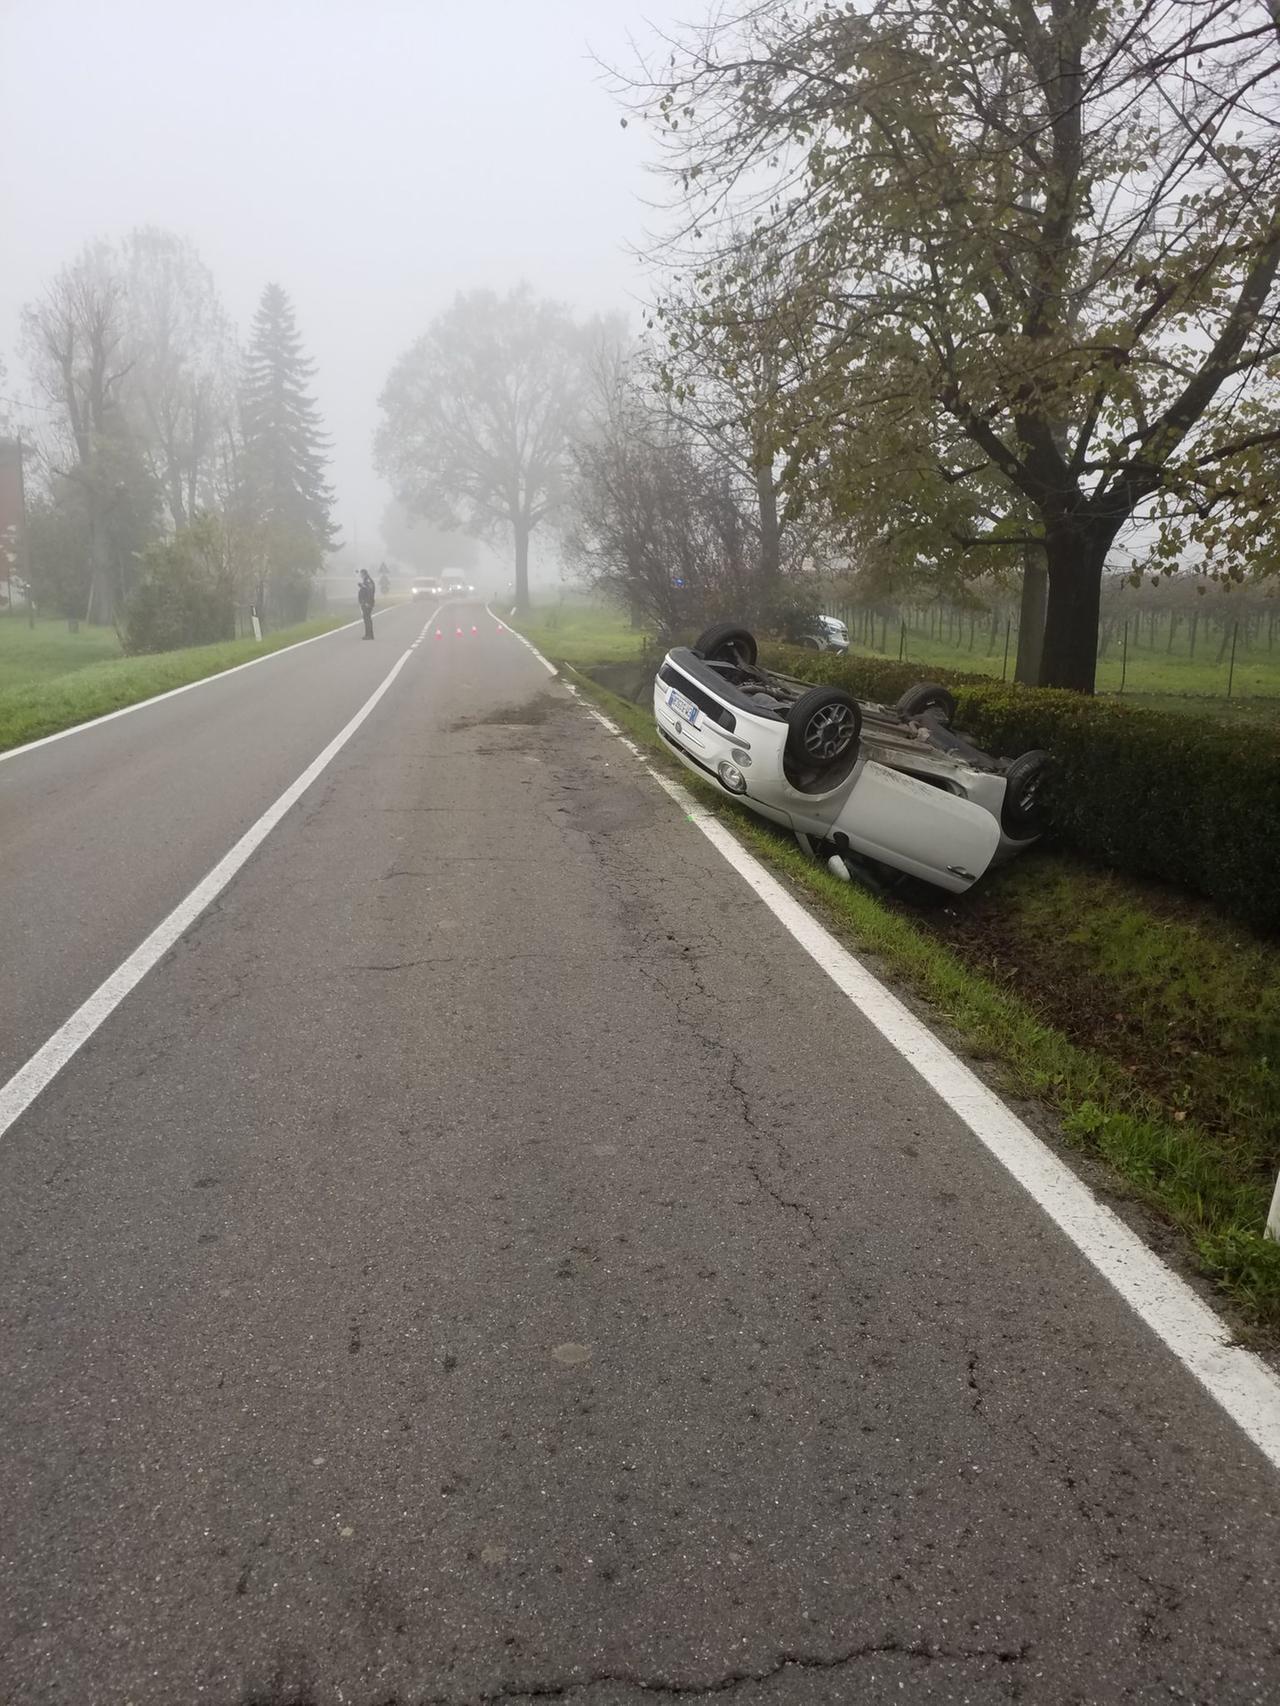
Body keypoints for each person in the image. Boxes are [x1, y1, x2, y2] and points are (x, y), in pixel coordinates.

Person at [357, 568, 376, 639]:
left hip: (367, 602)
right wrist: (362, 586)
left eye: (361, 574)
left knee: (367, 618)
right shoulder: (366, 581)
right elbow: (366, 589)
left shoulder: (368, 581)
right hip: (365, 602)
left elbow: (370, 592)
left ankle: (369, 635)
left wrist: (367, 602)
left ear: (364, 574)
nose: (360, 575)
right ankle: (368, 634)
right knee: (366, 618)